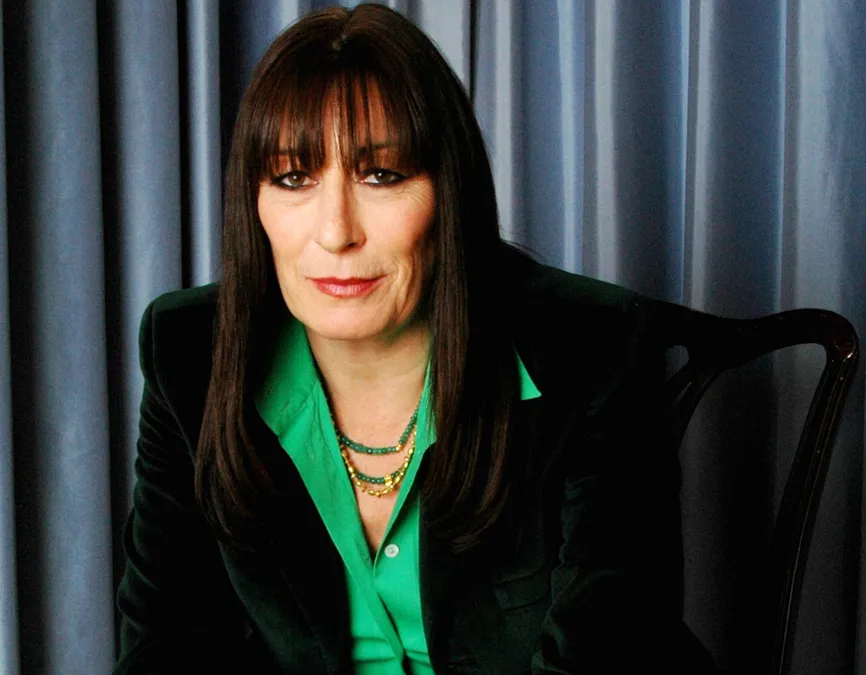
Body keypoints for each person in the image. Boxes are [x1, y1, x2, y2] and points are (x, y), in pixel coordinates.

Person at [114, 4, 719, 674]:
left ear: (448, 193)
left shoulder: (594, 347)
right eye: (292, 177)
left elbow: (606, 651)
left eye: (382, 175)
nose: (336, 232)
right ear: (252, 204)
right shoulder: (187, 353)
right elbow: (163, 643)